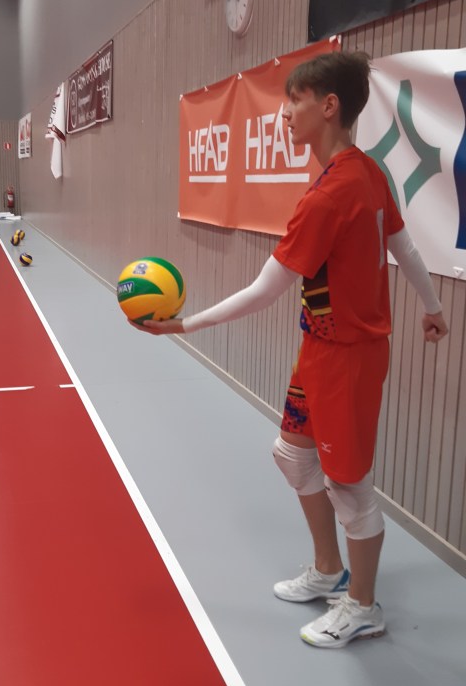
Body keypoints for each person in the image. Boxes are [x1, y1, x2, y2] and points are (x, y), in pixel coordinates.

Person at [135, 51, 448, 649]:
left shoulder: (329, 196)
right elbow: (404, 246)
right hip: (320, 347)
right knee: (292, 456)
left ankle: (363, 607)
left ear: (328, 107)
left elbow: (264, 291)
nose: (284, 114)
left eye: (294, 102)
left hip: (348, 357)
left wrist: (185, 326)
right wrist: (432, 307)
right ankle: (329, 570)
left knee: (349, 486)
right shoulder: (365, 172)